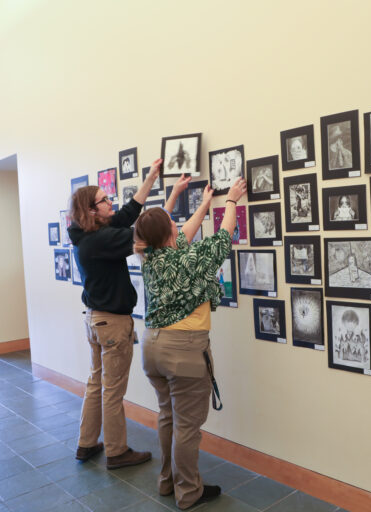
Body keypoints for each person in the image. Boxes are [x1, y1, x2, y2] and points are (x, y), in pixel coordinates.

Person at [133, 177, 248, 510]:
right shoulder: (187, 259)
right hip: (182, 351)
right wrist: (231, 201)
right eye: (172, 223)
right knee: (187, 426)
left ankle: (168, 482)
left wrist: (202, 203)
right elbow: (222, 239)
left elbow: (179, 234)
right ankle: (189, 492)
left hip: (152, 347)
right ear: (167, 233)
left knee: (168, 417)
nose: (177, 225)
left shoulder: (151, 257)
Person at [67, 158, 163, 469]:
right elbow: (143, 232)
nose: (111, 203)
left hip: (95, 320)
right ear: (91, 210)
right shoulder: (100, 240)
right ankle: (117, 451)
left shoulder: (87, 237)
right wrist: (168, 213)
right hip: (112, 324)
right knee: (113, 389)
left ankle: (86, 443)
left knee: (97, 383)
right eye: (104, 200)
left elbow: (126, 215)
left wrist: (150, 179)